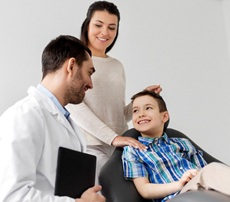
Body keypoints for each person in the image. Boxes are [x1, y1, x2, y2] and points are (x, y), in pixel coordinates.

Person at [0, 35, 105, 202]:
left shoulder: (65, 120)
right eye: (89, 72)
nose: (91, 84)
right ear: (71, 66)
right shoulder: (24, 116)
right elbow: (11, 196)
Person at [66, 1, 161, 183]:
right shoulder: (75, 61)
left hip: (120, 146)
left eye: (112, 27)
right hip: (91, 146)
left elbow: (118, 115)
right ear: (87, 25)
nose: (105, 33)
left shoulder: (117, 66)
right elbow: (75, 108)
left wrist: (140, 99)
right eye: (98, 25)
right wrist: (113, 138)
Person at [122, 90, 230, 202]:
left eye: (148, 108)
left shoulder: (183, 143)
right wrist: (179, 184)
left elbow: (203, 171)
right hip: (176, 196)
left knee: (211, 170)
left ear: (164, 117)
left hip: (200, 187)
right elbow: (145, 190)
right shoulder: (133, 150)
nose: (141, 114)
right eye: (135, 110)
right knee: (212, 169)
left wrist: (197, 176)